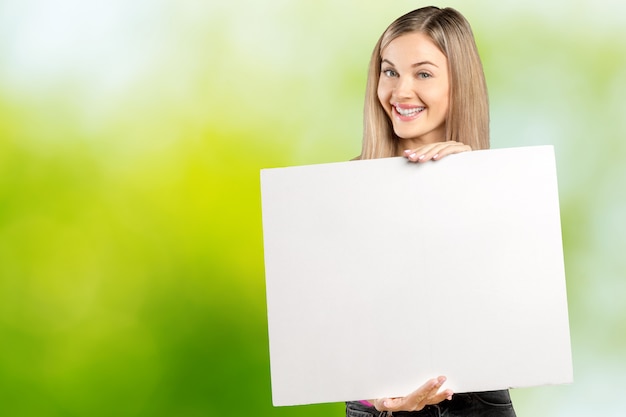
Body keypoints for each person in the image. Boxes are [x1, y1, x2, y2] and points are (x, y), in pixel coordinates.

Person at [345, 6, 517, 417]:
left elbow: (510, 313)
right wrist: (380, 401)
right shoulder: (346, 192)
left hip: (478, 403)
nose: (401, 91)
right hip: (379, 408)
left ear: (458, 85)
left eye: (423, 74)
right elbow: (337, 325)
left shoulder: (501, 187)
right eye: (390, 72)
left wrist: (470, 186)